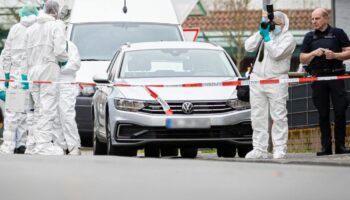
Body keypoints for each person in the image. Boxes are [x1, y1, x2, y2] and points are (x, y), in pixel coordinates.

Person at [244, 11, 296, 159]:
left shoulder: (288, 38)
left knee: (278, 116)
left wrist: (267, 38)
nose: (274, 26)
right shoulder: (266, 34)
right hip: (258, 80)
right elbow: (248, 46)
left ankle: (279, 148)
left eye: (277, 23)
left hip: (276, 81)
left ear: (284, 24)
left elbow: (276, 54)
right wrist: (261, 33)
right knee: (257, 116)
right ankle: (259, 149)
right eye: (273, 23)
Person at [300, 8, 350, 156]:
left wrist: (334, 55)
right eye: (312, 19)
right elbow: (302, 58)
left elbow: (348, 51)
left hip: (335, 77)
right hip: (318, 78)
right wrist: (313, 54)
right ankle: (325, 147)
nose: (314, 21)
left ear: (326, 19)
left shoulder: (338, 33)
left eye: (317, 18)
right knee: (323, 113)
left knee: (340, 111)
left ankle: (340, 145)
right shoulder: (309, 37)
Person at [23, 0, 68, 155]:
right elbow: (60, 51)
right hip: (49, 68)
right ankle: (43, 145)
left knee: (37, 109)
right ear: (55, 11)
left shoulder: (31, 29)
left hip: (33, 71)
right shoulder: (57, 25)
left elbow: (25, 55)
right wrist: (64, 59)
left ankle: (32, 144)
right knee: (47, 107)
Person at [0, 3, 38, 154]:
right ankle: (23, 144)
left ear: (22, 14)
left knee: (12, 113)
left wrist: (7, 77)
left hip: (15, 77)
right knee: (27, 113)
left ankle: (9, 145)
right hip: (32, 77)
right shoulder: (37, 29)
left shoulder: (15, 29)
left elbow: (7, 55)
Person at [52, 21, 82, 155]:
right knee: (54, 116)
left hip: (66, 84)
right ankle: (59, 145)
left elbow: (75, 64)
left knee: (67, 115)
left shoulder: (70, 46)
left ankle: (74, 145)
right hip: (52, 83)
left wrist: (61, 69)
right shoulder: (49, 46)